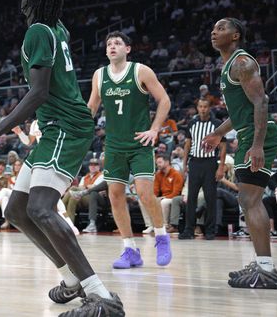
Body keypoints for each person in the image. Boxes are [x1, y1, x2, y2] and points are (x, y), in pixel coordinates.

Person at [0, 0, 124, 317]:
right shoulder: (56, 28)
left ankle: (99, 295)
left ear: (33, 2)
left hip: (64, 126)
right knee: (16, 210)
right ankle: (71, 280)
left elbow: (38, 92)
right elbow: (49, 3)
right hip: (58, 127)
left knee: (40, 208)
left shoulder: (38, 32)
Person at [202, 18, 277, 289]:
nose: (215, 32)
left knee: (249, 199)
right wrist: (218, 133)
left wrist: (257, 144)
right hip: (249, 131)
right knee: (247, 199)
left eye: (221, 28)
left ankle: (267, 270)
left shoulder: (241, 63)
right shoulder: (228, 66)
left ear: (236, 35)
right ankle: (262, 264)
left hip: (258, 134)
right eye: (213, 29)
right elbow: (241, 112)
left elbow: (262, 101)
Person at [87, 31, 173, 269]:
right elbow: (92, 106)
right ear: (106, 51)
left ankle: (161, 236)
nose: (112, 46)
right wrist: (80, 128)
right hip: (114, 145)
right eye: (109, 44)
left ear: (128, 49)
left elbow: (164, 100)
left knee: (145, 194)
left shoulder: (141, 71)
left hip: (139, 143)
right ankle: (130, 250)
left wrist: (155, 129)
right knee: (115, 195)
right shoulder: (99, 75)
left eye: (118, 43)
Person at [180, 98, 224, 240]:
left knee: (210, 198)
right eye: (200, 106)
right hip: (194, 163)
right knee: (191, 198)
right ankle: (188, 230)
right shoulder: (192, 123)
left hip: (210, 163)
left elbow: (223, 147)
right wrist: (184, 164)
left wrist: (221, 167)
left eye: (205, 106)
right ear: (197, 108)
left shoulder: (217, 124)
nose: (203, 109)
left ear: (209, 108)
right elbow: (187, 145)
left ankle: (210, 231)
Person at [61, 158, 106, 233]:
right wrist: (87, 187)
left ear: (99, 167)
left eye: (95, 165)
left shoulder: (101, 176)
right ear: (88, 166)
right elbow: (82, 188)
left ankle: (59, 207)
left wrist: (85, 187)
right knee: (73, 198)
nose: (93, 166)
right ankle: (69, 225)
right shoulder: (84, 177)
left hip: (94, 198)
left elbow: (93, 188)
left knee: (73, 188)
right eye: (91, 165)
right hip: (83, 196)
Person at [153, 155, 184, 234]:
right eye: (157, 163)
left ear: (167, 162)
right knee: (148, 201)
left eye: (160, 162)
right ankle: (151, 225)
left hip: (175, 197)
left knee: (164, 202)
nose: (158, 165)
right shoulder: (158, 174)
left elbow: (176, 192)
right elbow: (155, 190)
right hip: (164, 196)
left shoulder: (176, 174)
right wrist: (153, 197)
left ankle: (165, 225)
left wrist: (163, 197)